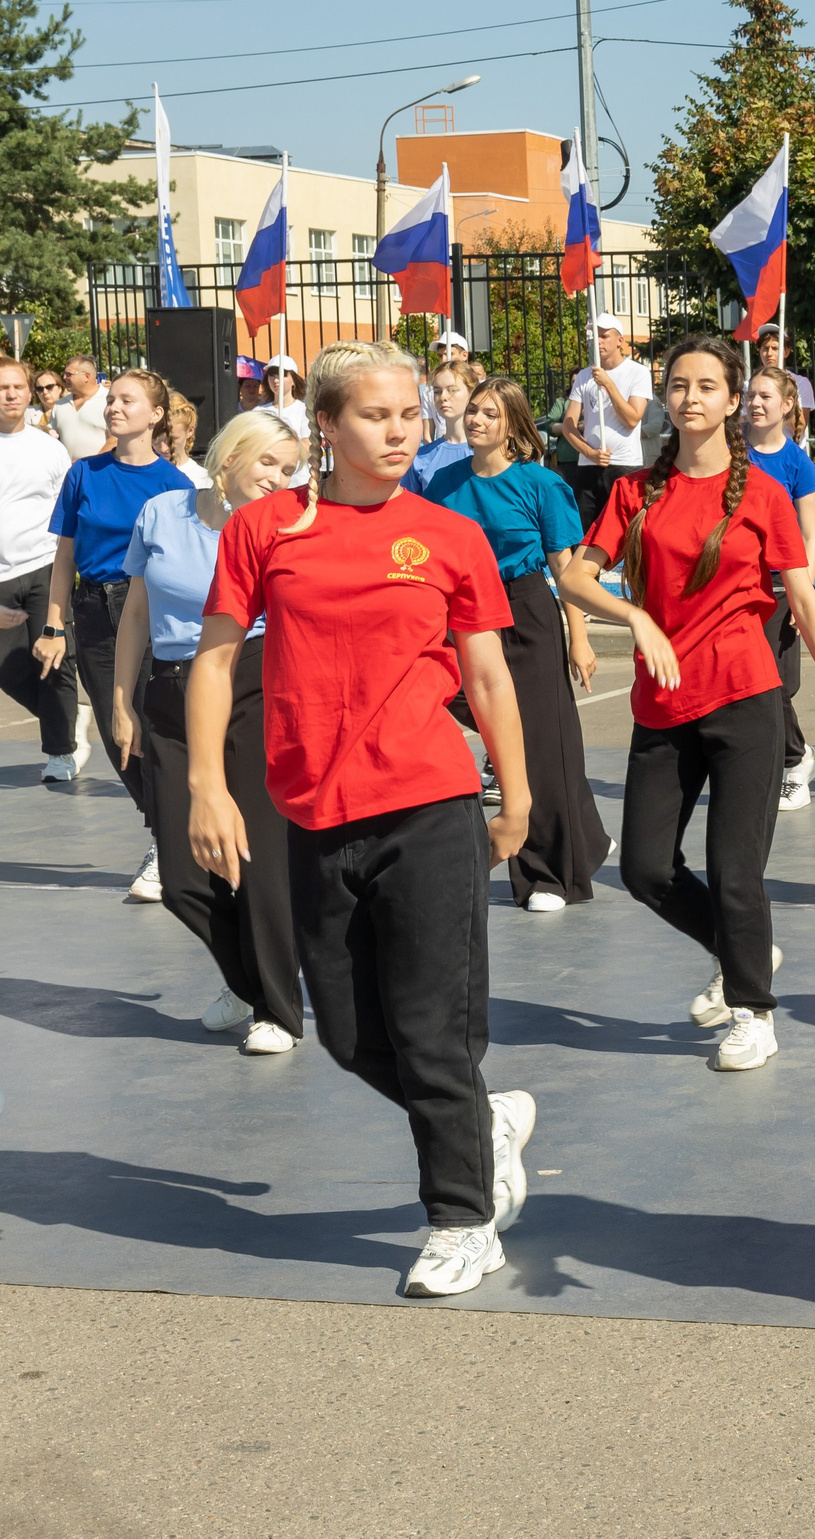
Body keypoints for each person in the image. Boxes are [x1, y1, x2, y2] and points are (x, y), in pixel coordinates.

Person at [191, 338, 539, 1299]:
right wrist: (209, 788)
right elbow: (216, 657)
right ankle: (482, 1119)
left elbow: (486, 675)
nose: (399, 431)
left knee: (432, 1028)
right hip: (313, 811)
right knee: (344, 1031)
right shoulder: (266, 528)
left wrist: (517, 792)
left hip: (429, 804)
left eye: (411, 415)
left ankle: (463, 1220)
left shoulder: (448, 534)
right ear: (328, 426)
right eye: (377, 416)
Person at [557, 333, 815, 1073]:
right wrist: (634, 617)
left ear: (733, 401)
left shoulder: (763, 492)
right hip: (662, 703)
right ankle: (741, 949)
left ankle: (754, 1010)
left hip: (744, 698)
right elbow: (575, 579)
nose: (690, 397)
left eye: (705, 386)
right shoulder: (636, 490)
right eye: (678, 385)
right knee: (645, 868)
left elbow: (803, 598)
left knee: (734, 871)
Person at [111, 411, 307, 1054]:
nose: (282, 479)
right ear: (231, 457)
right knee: (181, 873)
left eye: (291, 467)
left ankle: (278, 1008)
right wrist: (122, 702)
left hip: (253, 681)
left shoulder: (288, 527)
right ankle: (247, 981)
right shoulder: (162, 513)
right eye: (271, 464)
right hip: (167, 692)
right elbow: (137, 611)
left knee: (257, 860)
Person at [418, 376, 611, 912]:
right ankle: (589, 839)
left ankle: (548, 875)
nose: (476, 419)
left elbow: (567, 571)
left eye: (489, 413)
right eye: (473, 410)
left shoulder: (541, 486)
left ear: (513, 425)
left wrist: (580, 638)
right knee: (494, 730)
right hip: (464, 614)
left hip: (526, 612)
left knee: (541, 747)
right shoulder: (443, 483)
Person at [36, 368, 193, 899]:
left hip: (147, 610)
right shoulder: (84, 473)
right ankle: (169, 832)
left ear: (155, 414)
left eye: (127, 401)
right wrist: (55, 625)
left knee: (150, 727)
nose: (114, 408)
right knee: (114, 731)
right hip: (93, 610)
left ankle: (166, 844)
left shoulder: (175, 485)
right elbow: (64, 556)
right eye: (111, 400)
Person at [745, 363, 815, 812]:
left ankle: (796, 758)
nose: (755, 403)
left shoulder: (798, 464)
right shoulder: (729, 451)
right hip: (735, 582)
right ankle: (781, 761)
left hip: (780, 586)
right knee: (747, 681)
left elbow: (809, 534)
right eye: (751, 395)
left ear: (788, 405)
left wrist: (804, 592)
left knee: (778, 685)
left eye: (765, 397)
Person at [0, 357, 84, 782]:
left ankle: (60, 751)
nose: (10, 394)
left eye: (17, 387)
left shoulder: (49, 449)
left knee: (52, 660)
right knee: (8, 668)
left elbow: (67, 514)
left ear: (29, 393)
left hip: (43, 567)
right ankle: (69, 718)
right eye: (2, 388)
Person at [559, 313, 654, 531]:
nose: (598, 341)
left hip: (624, 464)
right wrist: (588, 452)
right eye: (594, 336)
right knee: (587, 532)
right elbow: (568, 424)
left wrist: (608, 384)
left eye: (604, 336)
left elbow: (632, 419)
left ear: (620, 340)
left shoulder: (637, 372)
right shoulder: (584, 375)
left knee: (625, 530)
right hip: (589, 465)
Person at [404, 359, 482, 491]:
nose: (443, 397)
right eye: (437, 391)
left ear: (471, 393)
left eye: (452, 390)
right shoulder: (421, 457)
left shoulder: (487, 452)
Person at [50, 355, 110, 458]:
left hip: (101, 470)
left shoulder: (109, 400)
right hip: (69, 472)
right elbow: (51, 440)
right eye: (64, 374)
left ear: (86, 376)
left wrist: (90, 467)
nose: (64, 378)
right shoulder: (59, 405)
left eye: (69, 374)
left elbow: (116, 440)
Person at [162, 395, 212, 489]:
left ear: (190, 431)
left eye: (173, 439)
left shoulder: (202, 479)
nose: (163, 448)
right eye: (156, 439)